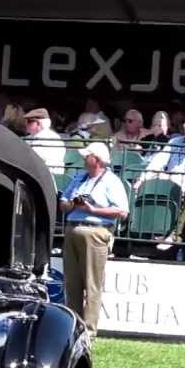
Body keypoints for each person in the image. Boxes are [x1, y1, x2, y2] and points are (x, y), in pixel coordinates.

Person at [58, 142, 128, 335]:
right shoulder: (79, 178)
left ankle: (89, 330)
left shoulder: (112, 181)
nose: (83, 158)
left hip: (96, 232)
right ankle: (72, 327)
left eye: (86, 155)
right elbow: (63, 202)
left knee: (92, 283)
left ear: (96, 159)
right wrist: (73, 203)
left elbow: (122, 211)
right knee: (72, 282)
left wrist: (93, 209)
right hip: (72, 229)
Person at [138, 113, 185, 193]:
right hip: (165, 186)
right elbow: (159, 161)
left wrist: (167, 177)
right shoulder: (175, 141)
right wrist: (142, 178)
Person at [23, 108, 65, 173]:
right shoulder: (33, 136)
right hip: (37, 172)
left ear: (38, 123)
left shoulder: (49, 137)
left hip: (48, 175)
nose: (26, 124)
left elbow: (33, 158)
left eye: (29, 121)